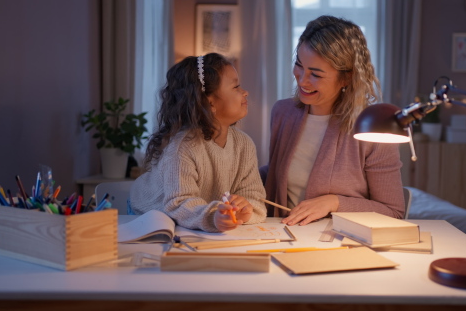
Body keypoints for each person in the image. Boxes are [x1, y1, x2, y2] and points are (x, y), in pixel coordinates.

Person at [262, 15, 405, 226]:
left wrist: (334, 202)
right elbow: (276, 174)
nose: (302, 79)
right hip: (285, 237)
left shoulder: (372, 128)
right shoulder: (283, 112)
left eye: (316, 74)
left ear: (347, 78)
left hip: (341, 243)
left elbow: (393, 212)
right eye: (299, 65)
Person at [130, 53, 267, 232]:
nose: (245, 92)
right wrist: (214, 216)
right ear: (210, 102)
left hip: (194, 221)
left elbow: (256, 199)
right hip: (148, 217)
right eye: (236, 87)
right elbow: (179, 204)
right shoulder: (183, 147)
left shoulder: (244, 145)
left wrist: (245, 209)